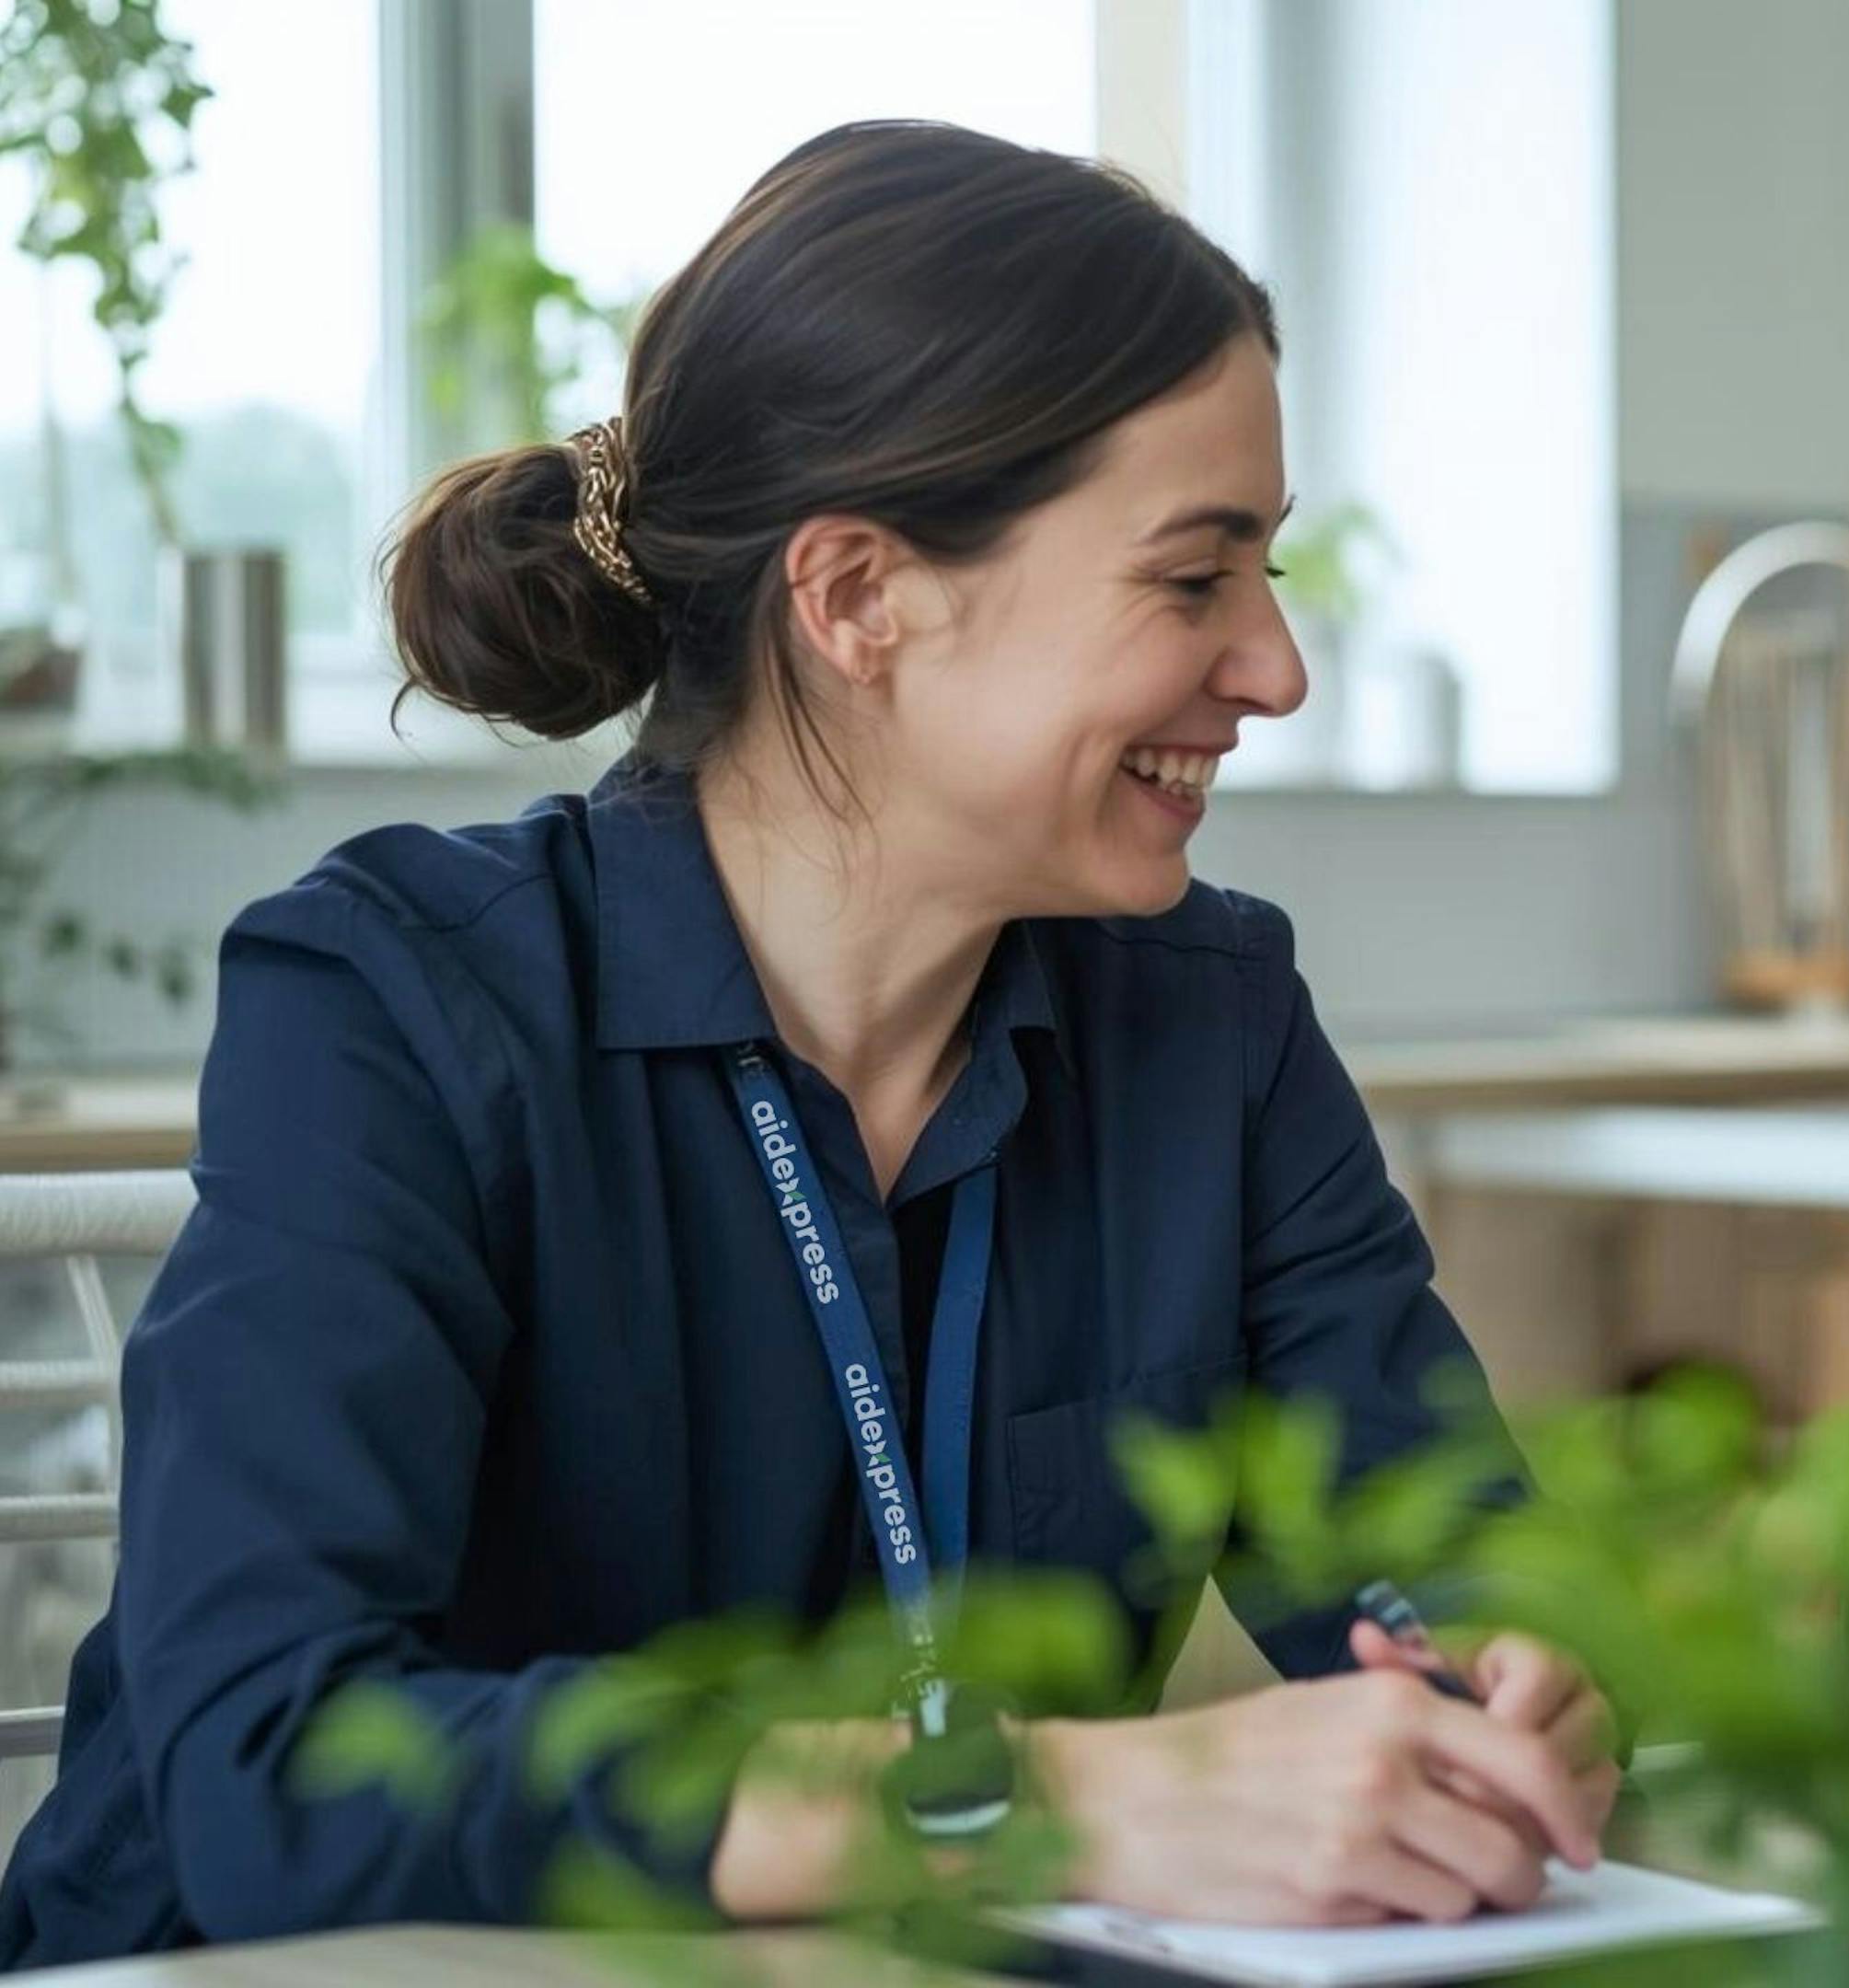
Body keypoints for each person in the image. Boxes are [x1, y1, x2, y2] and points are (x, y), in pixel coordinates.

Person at [0, 121, 1615, 1962]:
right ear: (855, 597)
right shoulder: (391, 1007)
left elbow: (1444, 1558)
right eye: (1193, 580)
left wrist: (1513, 1679)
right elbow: (268, 1767)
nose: (1274, 668)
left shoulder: (1213, 1025)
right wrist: (1059, 1802)